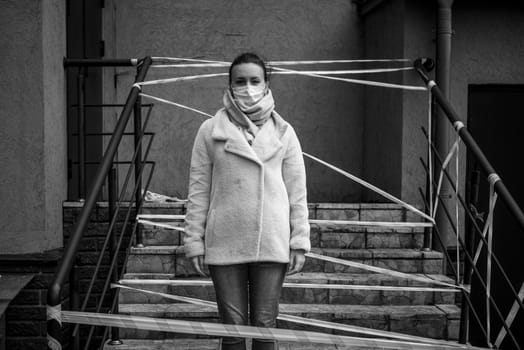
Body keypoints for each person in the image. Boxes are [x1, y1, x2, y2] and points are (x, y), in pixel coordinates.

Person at [183, 52, 311, 350]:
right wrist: (194, 240)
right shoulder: (209, 131)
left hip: (272, 240)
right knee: (233, 330)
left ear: (267, 85)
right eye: (240, 81)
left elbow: (298, 192)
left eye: (255, 80)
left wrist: (299, 241)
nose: (248, 87)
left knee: (266, 326)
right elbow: (198, 190)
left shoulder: (285, 132)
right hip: (225, 241)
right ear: (229, 85)